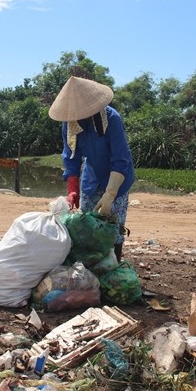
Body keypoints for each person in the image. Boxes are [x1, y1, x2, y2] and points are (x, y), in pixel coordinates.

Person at [49, 76, 135, 262]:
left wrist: (110, 194)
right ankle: (90, 268)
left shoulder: (111, 119)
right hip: (92, 178)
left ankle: (114, 266)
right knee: (85, 226)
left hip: (117, 179)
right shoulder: (70, 125)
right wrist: (72, 189)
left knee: (113, 227)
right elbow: (71, 157)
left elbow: (120, 159)